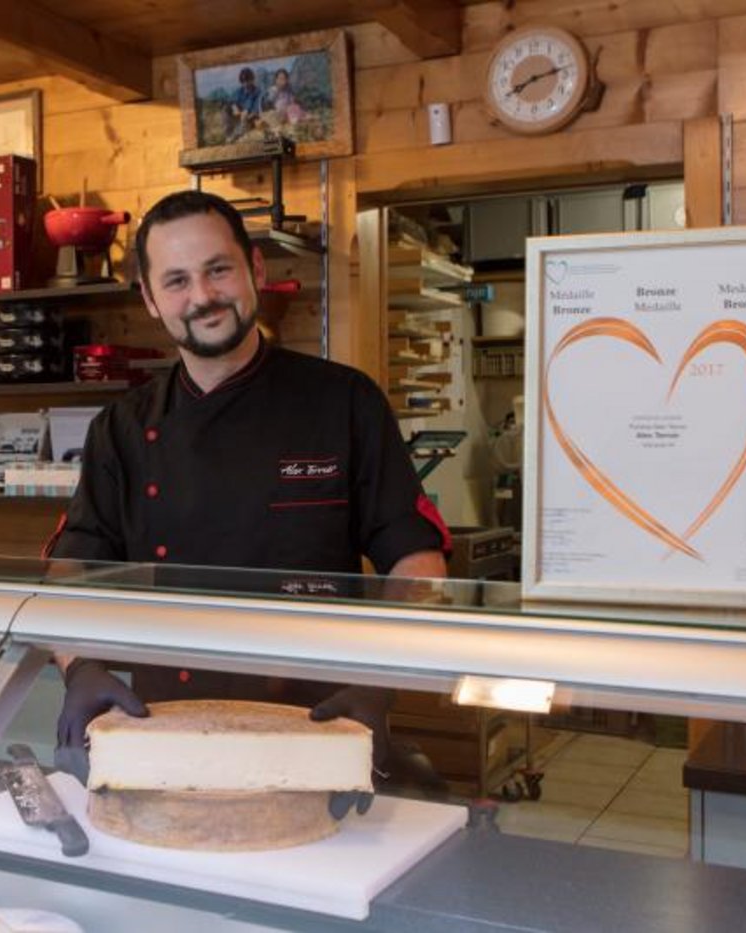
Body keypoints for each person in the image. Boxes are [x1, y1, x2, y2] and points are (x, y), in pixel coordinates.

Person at [47, 190, 450, 812]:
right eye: (176, 281)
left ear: (255, 272)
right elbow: (74, 565)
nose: (202, 296)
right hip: (164, 732)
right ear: (152, 301)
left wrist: (379, 684)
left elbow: (416, 560)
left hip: (320, 733)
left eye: (218, 269)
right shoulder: (121, 430)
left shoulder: (343, 402)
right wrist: (79, 666)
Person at [226, 67, 262, 141]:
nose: (245, 84)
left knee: (244, 121)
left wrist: (247, 115)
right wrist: (234, 107)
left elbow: (256, 109)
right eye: (243, 82)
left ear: (252, 80)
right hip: (239, 116)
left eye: (247, 81)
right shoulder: (239, 91)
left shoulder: (257, 92)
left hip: (251, 117)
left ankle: (238, 134)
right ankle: (229, 134)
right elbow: (231, 101)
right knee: (225, 110)